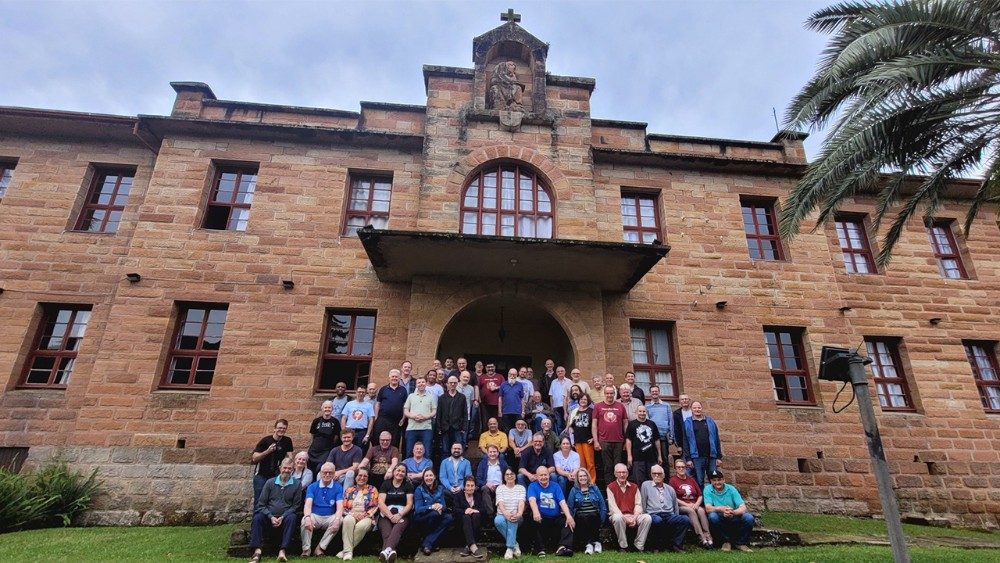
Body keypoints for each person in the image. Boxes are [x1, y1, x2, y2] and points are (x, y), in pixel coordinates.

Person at [249, 458, 301, 563]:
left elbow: (295, 506)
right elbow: (261, 504)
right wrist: (271, 517)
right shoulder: (270, 482)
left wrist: (283, 516)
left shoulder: (297, 484)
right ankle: (257, 551)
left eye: (289, 468)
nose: (286, 470)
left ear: (293, 470)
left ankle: (282, 551)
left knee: (292, 517)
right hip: (269, 516)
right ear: (280, 468)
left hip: (285, 517)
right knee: (257, 518)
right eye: (285, 468)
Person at [640, 464, 691, 552]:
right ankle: (656, 547)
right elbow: (643, 501)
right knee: (657, 520)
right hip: (654, 514)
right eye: (654, 473)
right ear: (651, 475)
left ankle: (677, 545)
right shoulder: (646, 485)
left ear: (663, 475)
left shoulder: (670, 488)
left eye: (659, 473)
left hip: (669, 515)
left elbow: (675, 505)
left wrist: (676, 516)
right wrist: (644, 515)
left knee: (685, 519)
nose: (656, 475)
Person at [526, 466, 575, 557]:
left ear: (549, 475)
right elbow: (532, 500)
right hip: (541, 519)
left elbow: (562, 502)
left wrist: (569, 516)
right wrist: (536, 511)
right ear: (537, 476)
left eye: (545, 475)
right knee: (532, 517)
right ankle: (540, 549)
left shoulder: (555, 486)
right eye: (541, 475)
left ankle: (562, 547)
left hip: (555, 519)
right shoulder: (532, 486)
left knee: (567, 519)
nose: (543, 477)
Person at [703, 470, 754, 552]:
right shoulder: (707, 489)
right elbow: (708, 508)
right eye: (714, 480)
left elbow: (743, 507)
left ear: (723, 480)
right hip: (719, 515)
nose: (717, 482)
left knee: (749, 518)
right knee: (712, 517)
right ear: (711, 481)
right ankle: (725, 542)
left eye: (719, 480)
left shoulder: (731, 489)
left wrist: (733, 512)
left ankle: (741, 543)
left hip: (733, 514)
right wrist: (721, 509)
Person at [300, 462, 344, 557]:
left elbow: (340, 506)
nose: (327, 475)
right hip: (315, 516)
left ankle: (320, 548)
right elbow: (308, 505)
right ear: (320, 473)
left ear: (334, 473)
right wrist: (307, 517)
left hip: (329, 517)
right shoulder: (312, 486)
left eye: (330, 472)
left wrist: (336, 520)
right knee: (304, 520)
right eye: (325, 472)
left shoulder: (338, 487)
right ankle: (306, 550)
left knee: (340, 519)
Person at [606, 463, 651, 552]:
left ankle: (638, 545)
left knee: (647, 518)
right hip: (619, 515)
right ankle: (623, 546)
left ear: (627, 474)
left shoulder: (634, 487)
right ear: (615, 474)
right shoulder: (610, 487)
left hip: (633, 515)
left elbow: (638, 504)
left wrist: (634, 517)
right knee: (618, 518)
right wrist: (625, 518)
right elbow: (613, 507)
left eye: (624, 472)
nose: (622, 475)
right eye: (619, 472)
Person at [669, 459, 712, 547]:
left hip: (694, 504)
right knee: (691, 511)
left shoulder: (691, 480)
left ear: (686, 468)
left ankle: (708, 536)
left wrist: (696, 504)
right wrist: (687, 505)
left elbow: (700, 495)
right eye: (678, 467)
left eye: (683, 467)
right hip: (681, 506)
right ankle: (701, 538)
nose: (681, 469)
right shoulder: (673, 480)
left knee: (701, 511)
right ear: (675, 468)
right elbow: (673, 498)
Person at [339, 467, 379, 561]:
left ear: (368, 478)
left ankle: (346, 551)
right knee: (347, 520)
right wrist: (353, 514)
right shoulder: (349, 490)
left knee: (361, 526)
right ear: (355, 477)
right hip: (351, 514)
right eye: (360, 475)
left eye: (365, 476)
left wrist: (366, 514)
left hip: (367, 517)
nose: (362, 478)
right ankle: (348, 552)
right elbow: (344, 506)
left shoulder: (373, 489)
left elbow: (376, 506)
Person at [251, 419, 293, 506]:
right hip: (261, 475)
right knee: (259, 500)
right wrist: (267, 451)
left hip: (276, 476)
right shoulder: (265, 440)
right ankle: (257, 515)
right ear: (274, 429)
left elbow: (290, 457)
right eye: (279, 428)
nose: (281, 430)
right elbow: (254, 458)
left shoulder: (287, 441)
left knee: (274, 500)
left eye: (284, 428)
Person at [413, 468, 455, 555]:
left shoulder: (440, 488)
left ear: (435, 477)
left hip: (437, 514)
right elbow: (418, 509)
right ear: (423, 478)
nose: (429, 478)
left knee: (449, 518)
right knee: (434, 514)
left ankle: (427, 543)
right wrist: (432, 507)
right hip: (422, 517)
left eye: (431, 475)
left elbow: (444, 506)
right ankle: (431, 543)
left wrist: (441, 507)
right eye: (426, 476)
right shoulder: (419, 489)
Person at [376, 464, 413, 563]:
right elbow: (381, 502)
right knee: (387, 533)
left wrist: (399, 515)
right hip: (386, 514)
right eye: (398, 470)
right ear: (393, 471)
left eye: (403, 471)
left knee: (397, 530)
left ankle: (386, 551)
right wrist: (390, 516)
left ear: (405, 474)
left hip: (402, 514)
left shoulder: (408, 485)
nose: (400, 473)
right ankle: (391, 552)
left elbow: (409, 504)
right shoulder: (386, 484)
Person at [567, 468, 607, 555]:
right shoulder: (574, 490)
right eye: (580, 476)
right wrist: (571, 519)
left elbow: (602, 505)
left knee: (592, 516)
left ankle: (596, 543)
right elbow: (570, 507)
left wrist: (602, 519)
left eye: (584, 476)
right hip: (580, 517)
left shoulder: (594, 488)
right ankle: (589, 544)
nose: (583, 478)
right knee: (582, 517)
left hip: (594, 516)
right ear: (577, 478)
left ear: (588, 477)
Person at [593, 385, 627, 487]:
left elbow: (625, 423)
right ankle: (610, 489)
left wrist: (626, 440)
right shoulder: (598, 406)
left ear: (614, 394)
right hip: (604, 440)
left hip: (618, 441)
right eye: (607, 393)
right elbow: (594, 425)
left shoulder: (621, 406)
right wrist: (596, 441)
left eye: (611, 393)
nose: (609, 395)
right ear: (604, 394)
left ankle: (619, 488)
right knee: (607, 467)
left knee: (618, 466)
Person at [683, 401, 722, 486]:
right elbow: (685, 441)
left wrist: (719, 457)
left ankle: (713, 495)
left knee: (714, 479)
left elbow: (716, 439)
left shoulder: (710, 421)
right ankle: (701, 495)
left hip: (711, 456)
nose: (697, 409)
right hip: (697, 457)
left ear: (702, 408)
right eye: (694, 408)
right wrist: (688, 459)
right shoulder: (688, 423)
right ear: (691, 409)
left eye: (699, 407)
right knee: (699, 480)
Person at [494, 467, 526, 560]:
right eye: (507, 474)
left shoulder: (521, 488)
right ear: (504, 477)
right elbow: (500, 503)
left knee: (513, 519)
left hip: (517, 516)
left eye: (511, 474)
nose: (509, 476)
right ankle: (514, 544)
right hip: (502, 515)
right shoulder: (500, 488)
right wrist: (506, 514)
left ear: (515, 476)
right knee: (498, 520)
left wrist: (519, 513)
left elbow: (521, 502)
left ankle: (509, 548)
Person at [372, 369, 408, 451]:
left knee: (395, 441)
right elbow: (378, 404)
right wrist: (376, 417)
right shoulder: (383, 389)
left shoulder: (403, 390)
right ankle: (377, 458)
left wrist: (403, 418)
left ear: (399, 378)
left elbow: (405, 405)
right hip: (382, 419)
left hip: (396, 421)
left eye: (396, 377)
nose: (394, 378)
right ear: (389, 378)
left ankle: (393, 458)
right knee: (378, 439)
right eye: (393, 376)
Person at [626, 405, 662, 485]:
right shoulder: (632, 424)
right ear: (636, 412)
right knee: (639, 481)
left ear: (646, 412)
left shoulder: (652, 424)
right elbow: (628, 440)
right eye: (640, 411)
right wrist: (629, 456)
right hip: (637, 458)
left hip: (651, 457)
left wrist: (659, 455)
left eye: (644, 411)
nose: (642, 413)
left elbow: (657, 440)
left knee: (653, 481)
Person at [402, 375, 436, 458]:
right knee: (409, 452)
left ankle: (427, 467)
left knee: (427, 452)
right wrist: (413, 416)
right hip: (411, 428)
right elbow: (406, 410)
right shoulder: (411, 396)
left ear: (426, 384)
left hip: (426, 428)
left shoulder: (431, 396)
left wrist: (425, 417)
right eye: (419, 382)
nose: (421, 384)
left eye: (423, 382)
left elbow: (434, 411)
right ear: (416, 385)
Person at [454, 475, 488, 558]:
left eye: (472, 486)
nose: (470, 488)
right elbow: (455, 510)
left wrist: (474, 510)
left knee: (476, 515)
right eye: (468, 485)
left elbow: (484, 510)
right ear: (464, 487)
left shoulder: (478, 495)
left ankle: (468, 546)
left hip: (476, 523)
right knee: (466, 517)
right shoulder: (458, 496)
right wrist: (465, 511)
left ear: (475, 487)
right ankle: (473, 547)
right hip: (462, 524)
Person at [436, 375, 468, 460]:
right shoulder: (442, 397)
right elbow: (439, 413)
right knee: (445, 450)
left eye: (454, 383)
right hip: (445, 428)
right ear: (447, 384)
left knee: (458, 449)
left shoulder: (462, 397)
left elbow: (465, 413)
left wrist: (464, 427)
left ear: (457, 384)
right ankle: (445, 467)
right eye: (451, 383)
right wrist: (439, 427)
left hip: (458, 428)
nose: (453, 384)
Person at [308, 401, 342, 475]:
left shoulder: (335, 422)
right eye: (325, 407)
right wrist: (312, 445)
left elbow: (336, 437)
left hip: (326, 450)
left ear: (332, 409)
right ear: (322, 409)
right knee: (310, 468)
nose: (327, 409)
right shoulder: (316, 421)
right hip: (314, 450)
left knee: (320, 468)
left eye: (329, 407)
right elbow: (312, 434)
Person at [568, 393, 597, 480]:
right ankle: (583, 481)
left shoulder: (592, 411)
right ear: (578, 400)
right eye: (581, 399)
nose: (583, 401)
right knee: (581, 464)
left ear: (588, 401)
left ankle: (591, 482)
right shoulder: (574, 411)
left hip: (588, 440)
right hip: (577, 441)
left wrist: (594, 438)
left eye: (585, 399)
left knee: (590, 463)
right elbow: (571, 427)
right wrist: (572, 440)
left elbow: (596, 426)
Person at [475, 443, 507, 519]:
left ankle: (498, 512)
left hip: (500, 486)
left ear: (498, 453)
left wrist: (502, 484)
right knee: (484, 488)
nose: (492, 454)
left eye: (494, 452)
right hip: (487, 487)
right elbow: (478, 479)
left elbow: (508, 475)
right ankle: (490, 514)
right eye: (490, 452)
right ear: (487, 453)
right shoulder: (483, 463)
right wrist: (487, 484)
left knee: (501, 490)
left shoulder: (502, 463)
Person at [645, 386, 674, 464]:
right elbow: (646, 422)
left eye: (656, 391)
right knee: (653, 459)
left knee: (665, 458)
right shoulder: (647, 406)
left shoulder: (666, 405)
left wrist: (671, 437)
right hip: (652, 437)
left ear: (659, 392)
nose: (654, 393)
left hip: (664, 436)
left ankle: (666, 472)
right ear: (650, 393)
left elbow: (671, 421)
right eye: (653, 391)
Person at [341, 387, 375, 452]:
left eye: (363, 392)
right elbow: (344, 418)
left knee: (361, 451)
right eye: (359, 392)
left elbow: (371, 420)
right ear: (356, 392)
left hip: (362, 432)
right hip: (349, 431)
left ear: (365, 394)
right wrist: (344, 432)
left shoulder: (369, 405)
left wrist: (367, 435)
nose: (361, 394)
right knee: (348, 450)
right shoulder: (349, 404)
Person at [457, 370, 479, 444]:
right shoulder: (455, 386)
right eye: (464, 377)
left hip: (466, 416)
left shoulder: (471, 388)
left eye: (467, 377)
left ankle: (463, 448)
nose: (466, 378)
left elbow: (471, 401)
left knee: (464, 436)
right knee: (456, 436)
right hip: (455, 416)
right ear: (460, 377)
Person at [547, 366, 569, 434]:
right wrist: (552, 407)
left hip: (567, 407)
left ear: (565, 372)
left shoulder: (569, 381)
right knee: (559, 425)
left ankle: (567, 438)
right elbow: (551, 396)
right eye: (558, 371)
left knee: (567, 423)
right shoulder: (553, 382)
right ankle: (560, 438)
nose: (560, 372)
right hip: (556, 406)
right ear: (556, 373)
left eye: (562, 371)